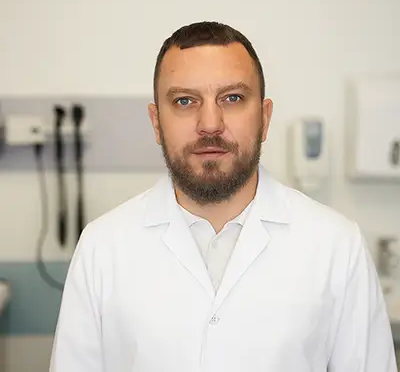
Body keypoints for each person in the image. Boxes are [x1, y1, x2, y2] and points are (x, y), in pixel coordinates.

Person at [49, 21, 397, 371]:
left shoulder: (337, 246)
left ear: (264, 117)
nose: (210, 123)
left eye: (232, 98)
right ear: (156, 123)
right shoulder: (102, 248)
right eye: (185, 101)